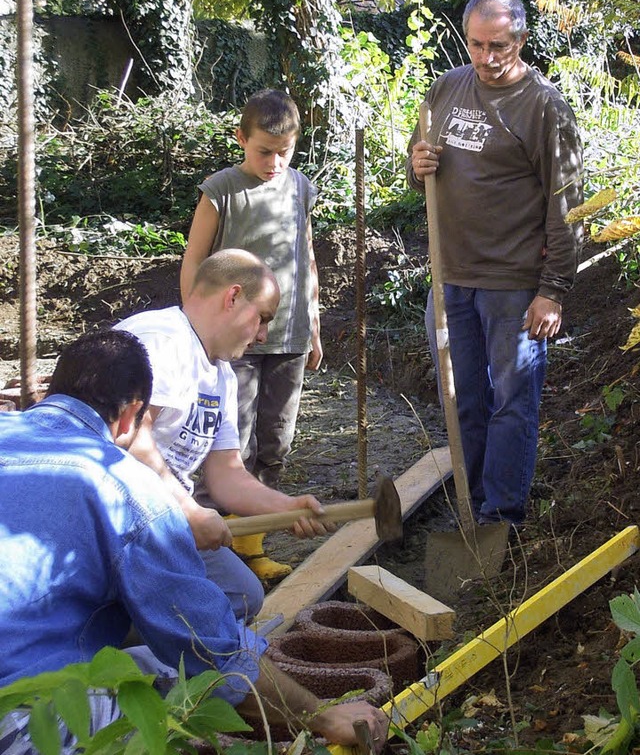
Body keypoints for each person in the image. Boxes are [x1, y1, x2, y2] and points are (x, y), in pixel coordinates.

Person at [0, 330, 389, 754]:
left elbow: (228, 476)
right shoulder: (125, 486)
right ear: (132, 415)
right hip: (20, 717)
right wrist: (323, 717)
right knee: (177, 674)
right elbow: (208, 646)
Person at [407, 0, 583, 527]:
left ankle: (501, 512)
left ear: (522, 39)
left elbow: (568, 203)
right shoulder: (445, 91)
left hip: (512, 283)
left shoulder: (545, 107)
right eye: (477, 45)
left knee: (512, 401)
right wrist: (417, 165)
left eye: (499, 46)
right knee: (465, 400)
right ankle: (472, 499)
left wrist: (552, 289)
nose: (486, 57)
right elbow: (418, 176)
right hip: (452, 276)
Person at [114, 248, 329, 623]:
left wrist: (284, 507)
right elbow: (131, 438)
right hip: (110, 518)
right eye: (262, 318)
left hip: (161, 518)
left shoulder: (221, 377)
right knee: (202, 610)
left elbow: (227, 475)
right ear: (232, 297)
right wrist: (188, 510)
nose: (263, 335)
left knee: (240, 596)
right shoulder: (162, 340)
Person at [180, 89, 322, 580]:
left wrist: (314, 322)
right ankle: (212, 549)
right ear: (241, 139)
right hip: (233, 341)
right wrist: (195, 333)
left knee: (274, 443)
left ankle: (252, 546)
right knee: (230, 447)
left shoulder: (301, 187)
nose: (274, 161)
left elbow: (305, 257)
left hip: (289, 336)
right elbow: (195, 263)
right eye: (264, 150)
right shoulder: (222, 189)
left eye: (285, 151)